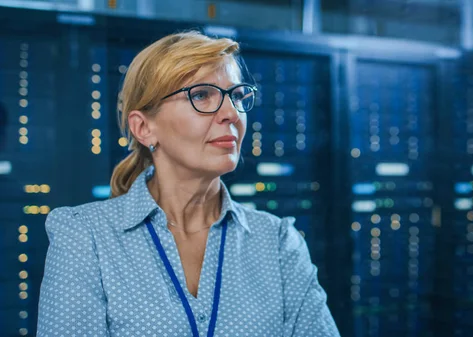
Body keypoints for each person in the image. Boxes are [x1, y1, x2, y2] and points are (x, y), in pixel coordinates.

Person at [36, 31, 340, 337]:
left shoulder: (276, 242)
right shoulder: (86, 237)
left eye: (236, 96)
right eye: (201, 95)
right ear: (143, 128)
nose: (232, 114)